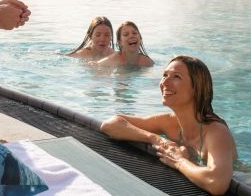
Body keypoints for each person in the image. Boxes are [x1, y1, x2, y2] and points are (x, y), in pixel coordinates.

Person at [100, 56, 237, 195]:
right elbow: (110, 124)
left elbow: (216, 183)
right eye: (164, 75)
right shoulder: (169, 122)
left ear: (196, 87)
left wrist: (178, 161)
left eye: (176, 77)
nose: (165, 82)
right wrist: (155, 139)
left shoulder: (216, 132)